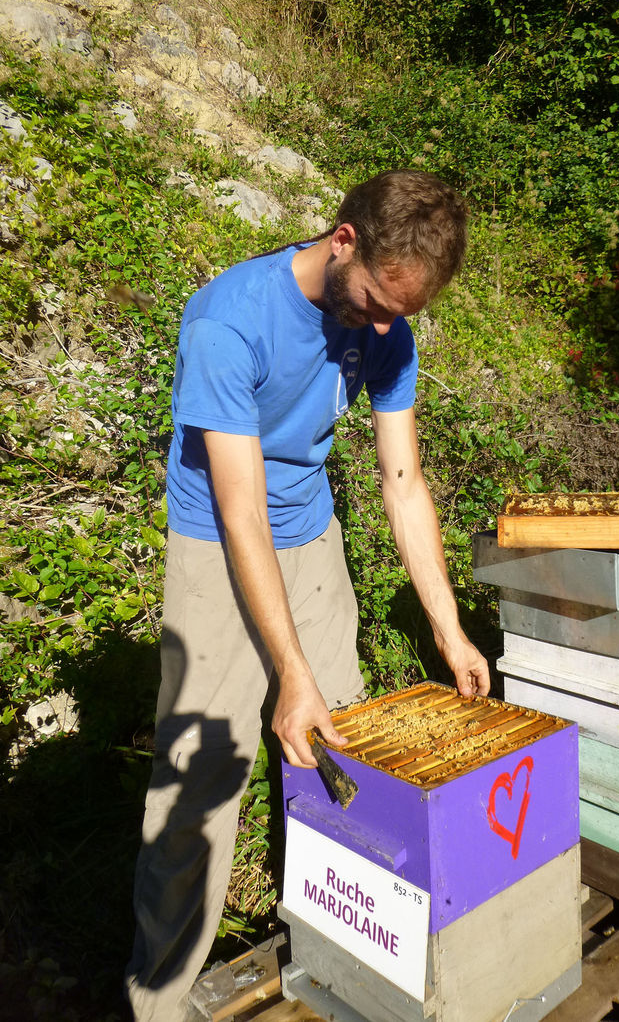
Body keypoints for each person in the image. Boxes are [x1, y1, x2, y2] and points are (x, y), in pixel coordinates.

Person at [124, 169, 490, 1021]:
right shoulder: (229, 320)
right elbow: (240, 508)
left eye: (402, 312)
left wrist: (450, 630)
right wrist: (289, 671)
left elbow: (402, 482)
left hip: (312, 540)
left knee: (341, 761)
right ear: (343, 239)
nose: (383, 325)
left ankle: (340, 961)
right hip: (219, 545)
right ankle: (160, 1001)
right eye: (370, 302)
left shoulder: (390, 325)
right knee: (199, 788)